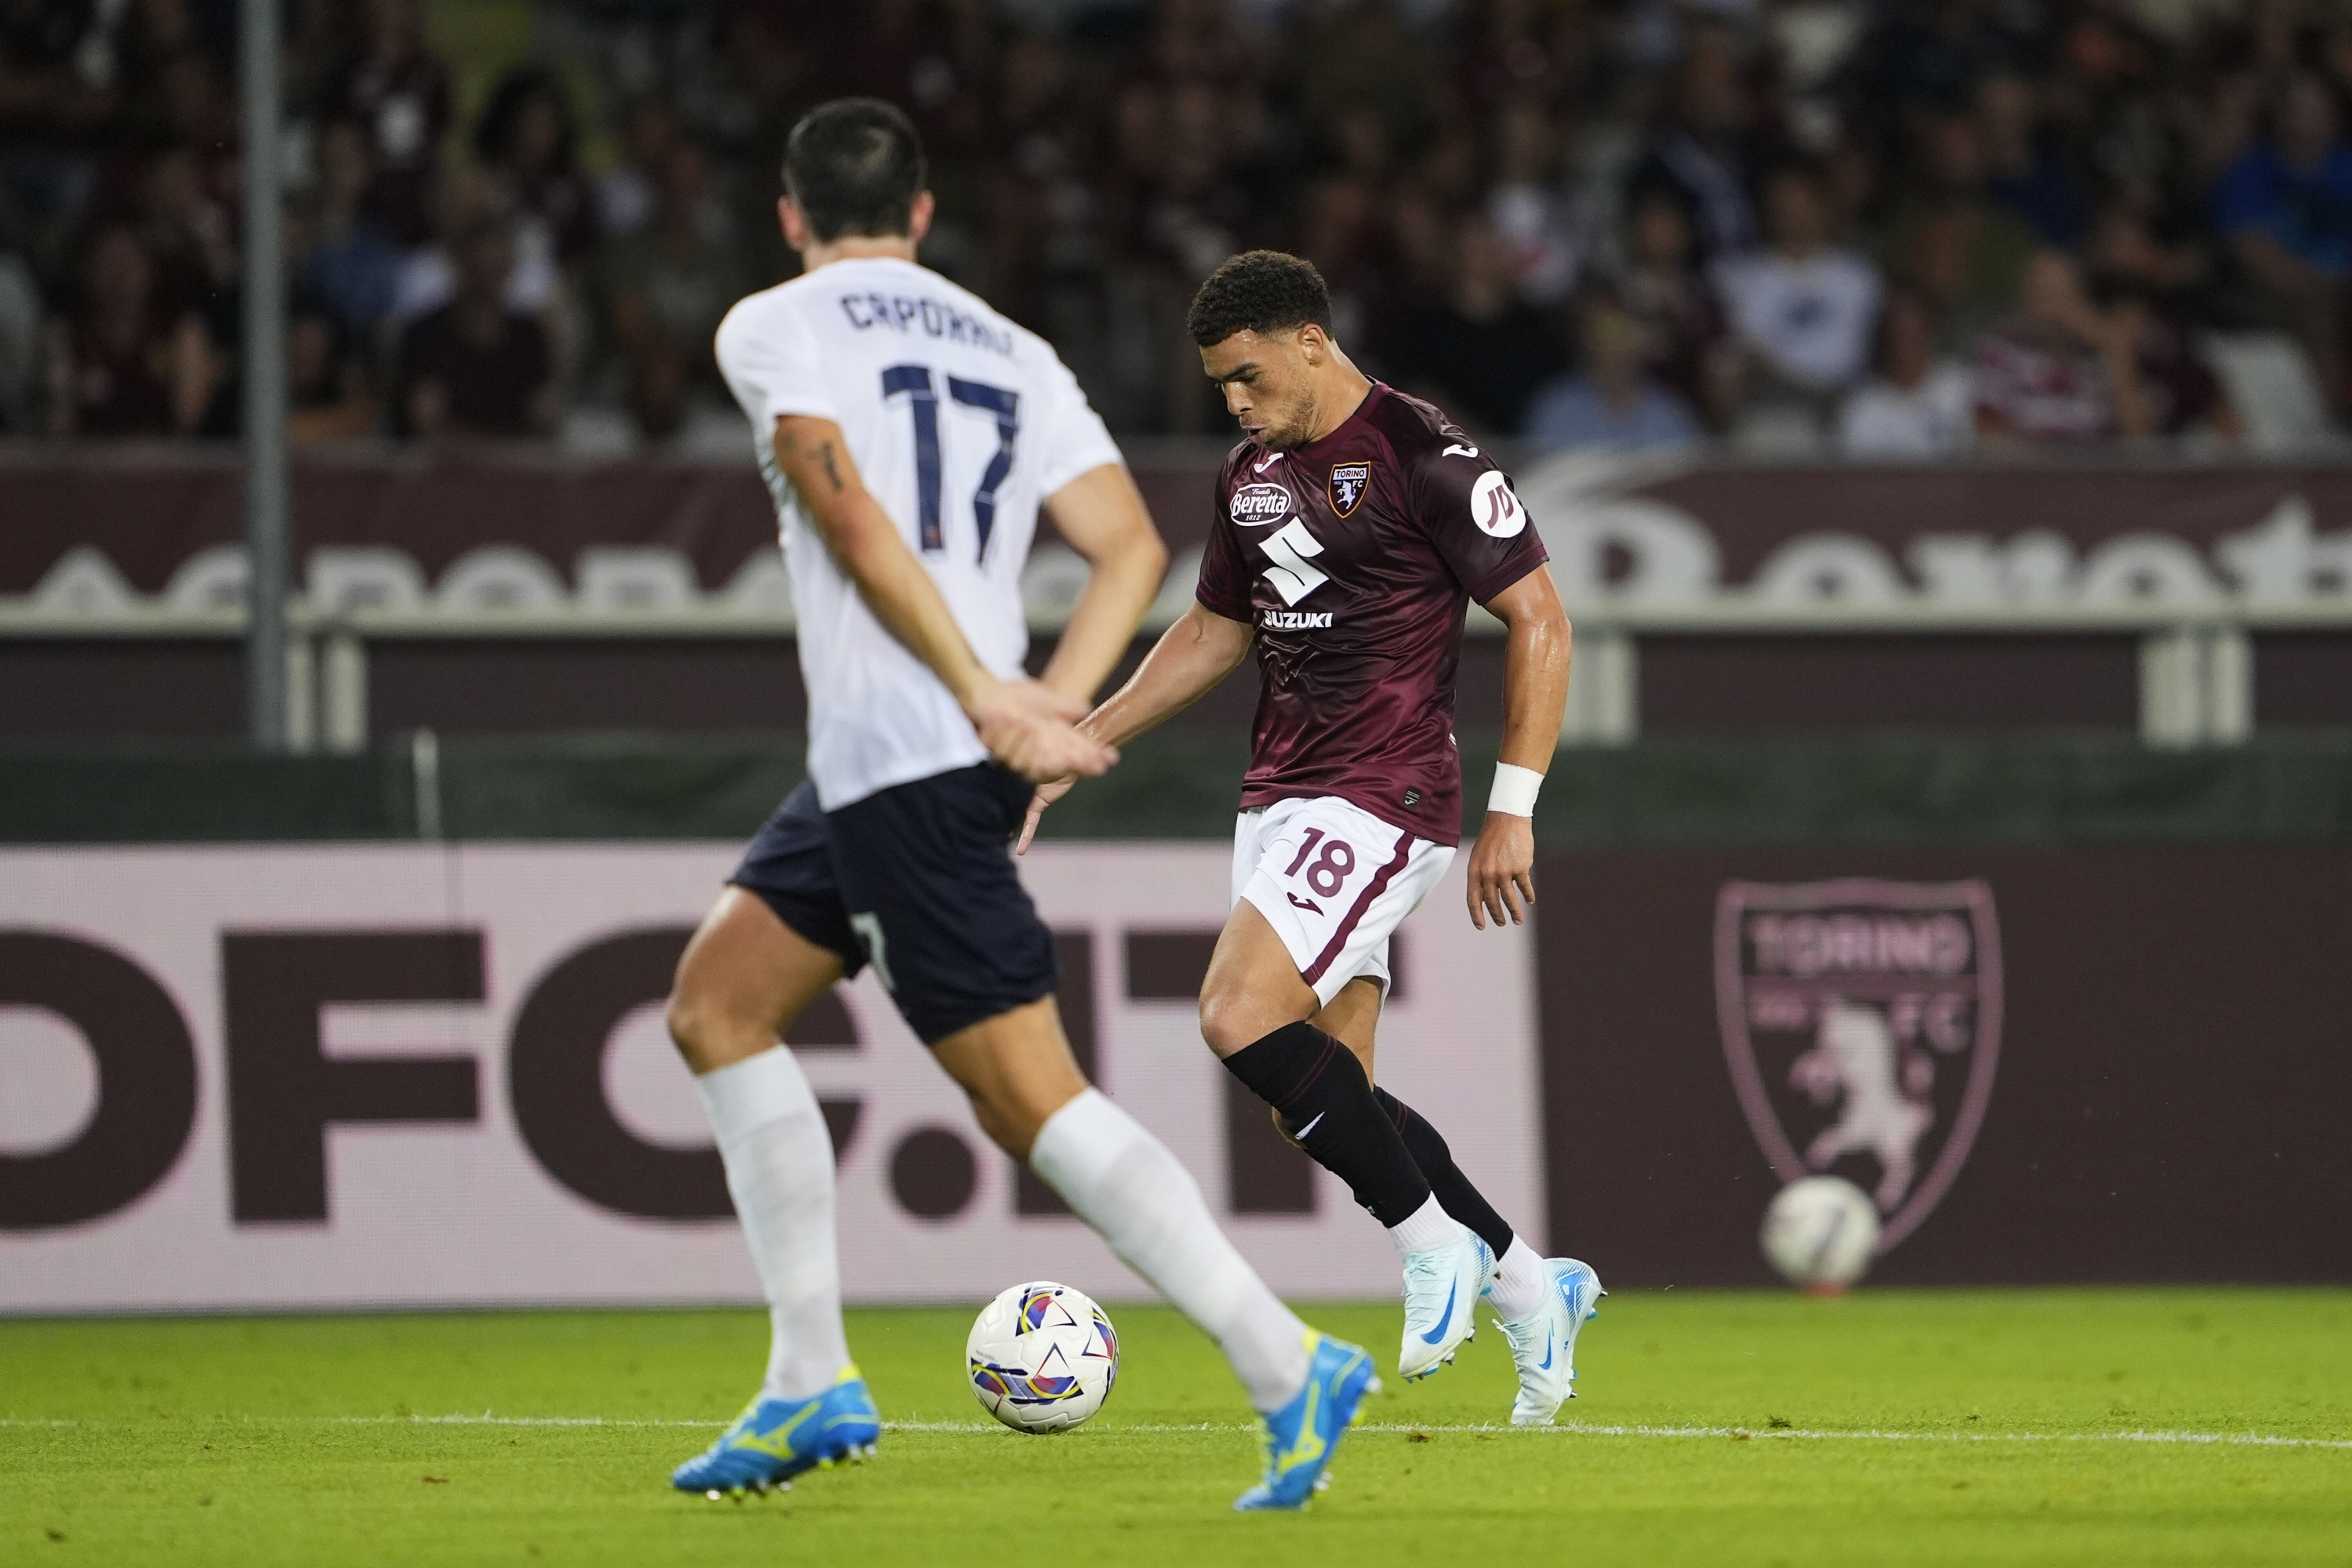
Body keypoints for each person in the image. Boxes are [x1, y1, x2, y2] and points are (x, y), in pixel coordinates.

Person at [666, 100, 1377, 1512]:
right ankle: (808, 1379)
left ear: (794, 216)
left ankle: (1285, 1360)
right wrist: (1050, 700)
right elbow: (1127, 542)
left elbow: (851, 514)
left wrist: (996, 696)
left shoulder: (773, 322)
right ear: (925, 216)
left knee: (1027, 1102)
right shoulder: (1013, 348)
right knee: (718, 1006)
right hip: (910, 757)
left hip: (915, 751)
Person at [1019, 249, 1602, 1425]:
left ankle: (1436, 1250)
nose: (1234, 402)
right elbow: (1211, 632)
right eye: (1218, 385)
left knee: (1236, 1012)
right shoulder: (1251, 474)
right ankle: (1535, 1284)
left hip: (1385, 791)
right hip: (1279, 797)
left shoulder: (1420, 451)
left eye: (1246, 376)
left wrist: (1513, 810)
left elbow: (1540, 615)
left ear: (1310, 344)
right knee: (1325, 1099)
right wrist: (1082, 737)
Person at [1523, 291, 1702, 452]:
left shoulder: (1671, 416)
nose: (1612, 352)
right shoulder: (1554, 411)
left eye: (1621, 336)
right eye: (1601, 338)